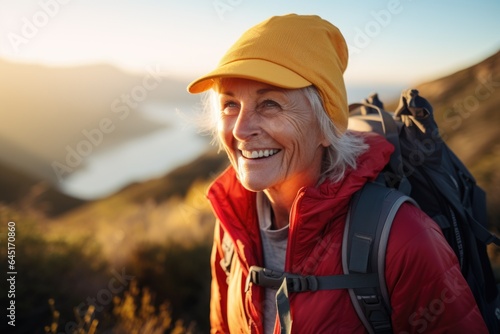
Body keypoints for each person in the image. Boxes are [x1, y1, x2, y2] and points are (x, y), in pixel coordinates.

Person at [187, 14, 488, 333]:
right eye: (229, 105)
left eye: (270, 104)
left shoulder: (403, 238)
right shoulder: (232, 224)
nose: (242, 129)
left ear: (326, 125)